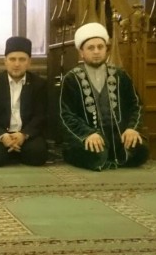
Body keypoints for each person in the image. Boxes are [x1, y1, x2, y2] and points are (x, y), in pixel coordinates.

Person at [59, 22, 148, 171]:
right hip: (87, 137)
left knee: (141, 150)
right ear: (81, 52)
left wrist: (132, 129)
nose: (96, 52)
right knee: (96, 155)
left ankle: (112, 153)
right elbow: (66, 115)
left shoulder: (120, 75)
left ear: (106, 49)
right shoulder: (71, 79)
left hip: (119, 137)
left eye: (100, 47)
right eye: (91, 48)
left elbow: (136, 105)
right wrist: (87, 134)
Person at [0, 36, 48, 167]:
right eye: (12, 59)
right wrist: (2, 136)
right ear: (5, 61)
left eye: (22, 59)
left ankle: (13, 152)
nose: (17, 64)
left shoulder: (39, 84)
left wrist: (24, 134)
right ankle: (13, 152)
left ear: (29, 62)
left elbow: (41, 116)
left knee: (38, 156)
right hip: (0, 134)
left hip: (25, 135)